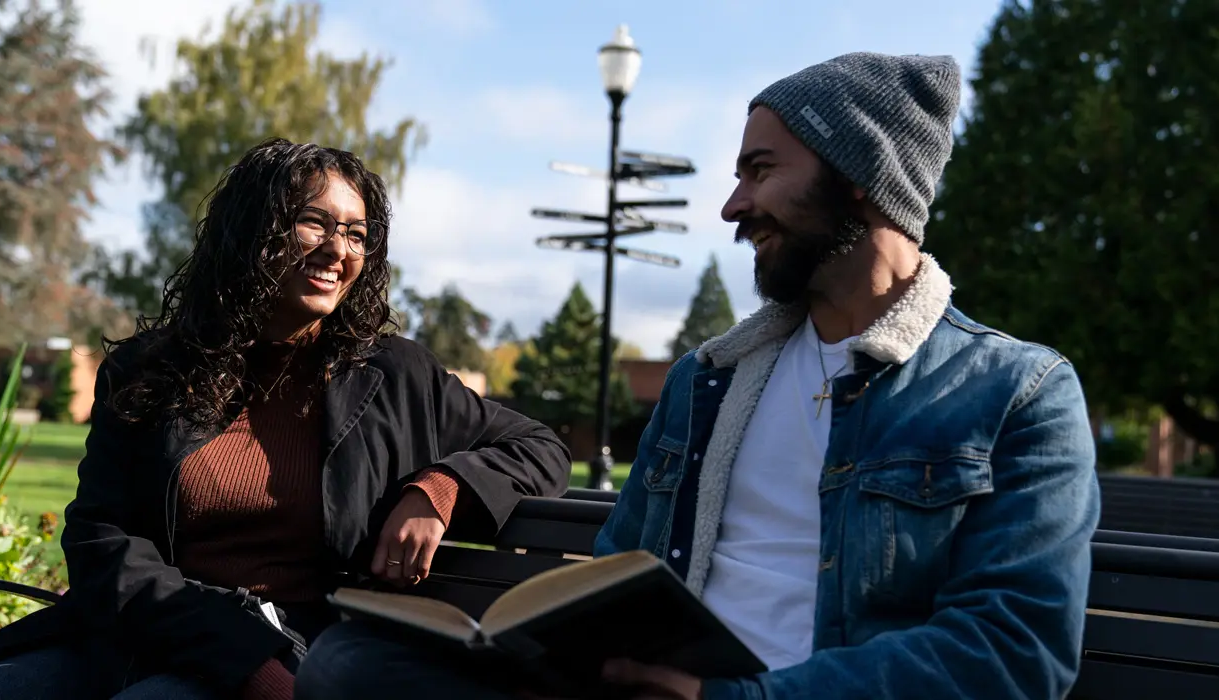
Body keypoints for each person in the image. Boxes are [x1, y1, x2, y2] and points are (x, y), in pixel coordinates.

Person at [294, 52, 1101, 700]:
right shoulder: (705, 381)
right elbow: (621, 569)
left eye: (759, 170)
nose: (732, 205)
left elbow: (1013, 651)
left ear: (859, 178)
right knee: (349, 662)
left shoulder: (1017, 393)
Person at [0, 139, 572, 700]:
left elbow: (536, 446)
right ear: (254, 233)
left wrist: (440, 489)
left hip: (294, 646)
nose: (339, 250)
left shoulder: (393, 374)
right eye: (315, 223)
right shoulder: (152, 370)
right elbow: (101, 541)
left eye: (357, 233)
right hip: (142, 629)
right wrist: (235, 658)